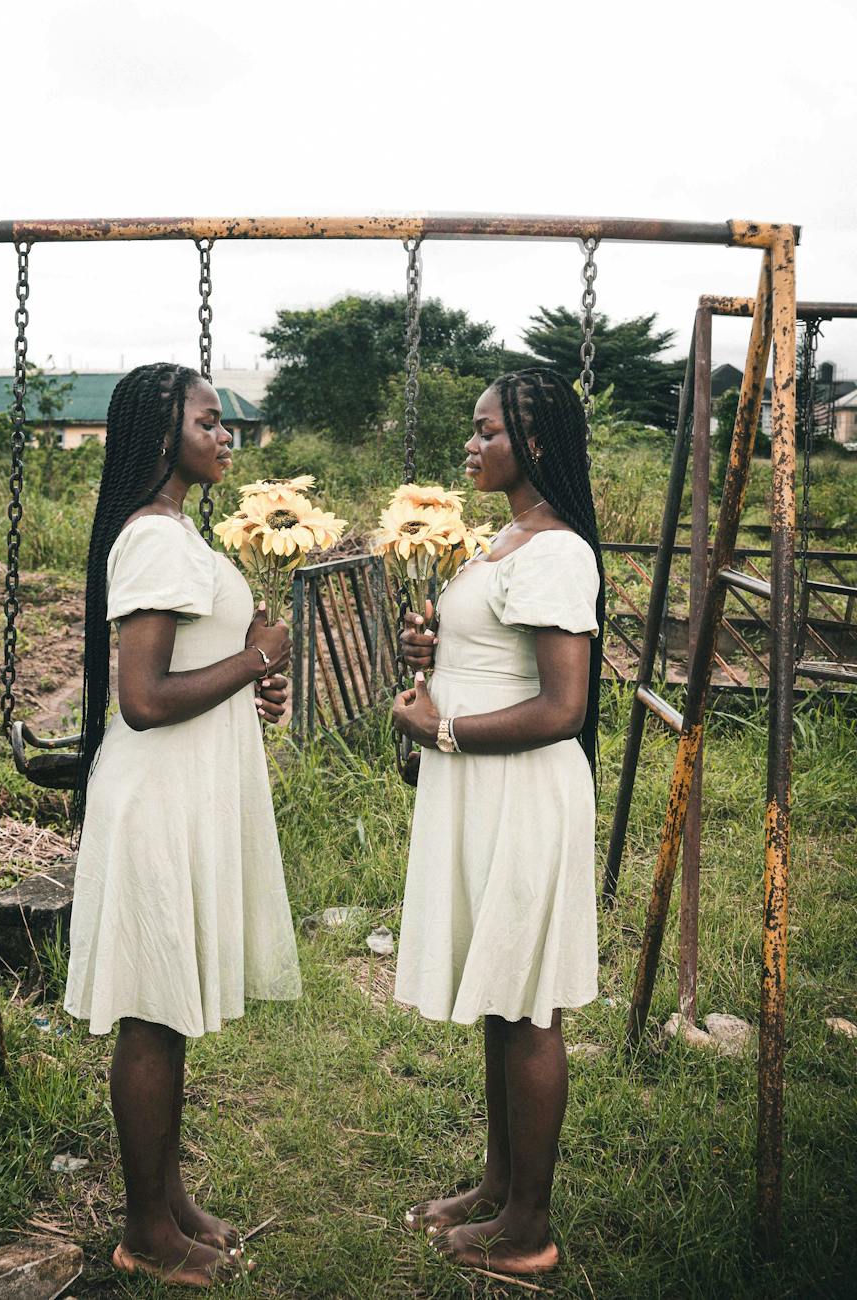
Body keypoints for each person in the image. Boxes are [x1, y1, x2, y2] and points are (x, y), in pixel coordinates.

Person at [63, 362, 302, 1288]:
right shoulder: (157, 542)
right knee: (152, 1014)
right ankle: (143, 1232)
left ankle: (169, 1200)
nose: (226, 434)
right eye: (211, 421)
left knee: (170, 1007)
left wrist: (249, 681)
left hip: (187, 788)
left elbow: (187, 675)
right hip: (159, 796)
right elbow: (144, 700)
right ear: (164, 432)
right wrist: (251, 661)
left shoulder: (174, 533)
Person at [392, 367, 605, 1276]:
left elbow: (562, 707)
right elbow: (497, 658)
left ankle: (531, 1230)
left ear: (539, 444)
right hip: (480, 786)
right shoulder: (507, 538)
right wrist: (434, 652)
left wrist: (439, 726)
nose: (470, 446)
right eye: (471, 431)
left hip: (521, 791)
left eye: (487, 433)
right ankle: (497, 1185)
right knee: (499, 992)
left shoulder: (558, 552)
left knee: (526, 1005)